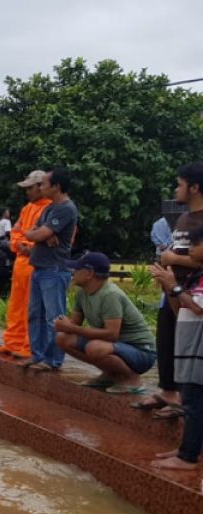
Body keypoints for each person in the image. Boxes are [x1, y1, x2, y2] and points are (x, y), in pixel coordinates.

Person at [136, 163, 203, 420]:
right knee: (166, 338)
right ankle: (168, 391)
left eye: (180, 184)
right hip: (172, 287)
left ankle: (186, 403)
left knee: (188, 347)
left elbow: (195, 258)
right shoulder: (184, 218)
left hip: (192, 292)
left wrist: (172, 258)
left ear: (194, 187)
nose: (176, 189)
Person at [53, 252, 156, 393]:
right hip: (114, 346)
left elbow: (111, 334)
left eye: (77, 269)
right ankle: (110, 374)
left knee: (95, 347)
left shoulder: (110, 295)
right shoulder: (82, 293)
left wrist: (70, 327)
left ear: (89, 273)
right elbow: (74, 324)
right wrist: (63, 324)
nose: (73, 272)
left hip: (141, 352)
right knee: (63, 339)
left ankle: (132, 379)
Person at [150, 226, 203, 471]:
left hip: (198, 350)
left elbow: (198, 307)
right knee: (190, 397)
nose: (190, 250)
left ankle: (187, 456)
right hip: (192, 346)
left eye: (195, 244)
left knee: (193, 399)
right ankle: (189, 448)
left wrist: (174, 286)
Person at [23, 167, 78, 372]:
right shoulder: (49, 208)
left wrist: (41, 234)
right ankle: (38, 355)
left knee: (54, 318)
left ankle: (53, 360)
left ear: (56, 186)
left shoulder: (65, 208)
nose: (40, 187)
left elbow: (36, 234)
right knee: (35, 314)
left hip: (54, 269)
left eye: (44, 183)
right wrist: (41, 233)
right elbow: (31, 231)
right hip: (40, 267)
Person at [0, 171, 50, 359]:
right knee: (15, 304)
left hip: (35, 263)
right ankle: (12, 342)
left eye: (30, 188)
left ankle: (28, 344)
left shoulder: (50, 208)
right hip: (20, 263)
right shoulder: (27, 209)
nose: (27, 192)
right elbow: (16, 231)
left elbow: (45, 235)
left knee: (30, 307)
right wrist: (19, 244)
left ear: (41, 186)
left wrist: (29, 245)